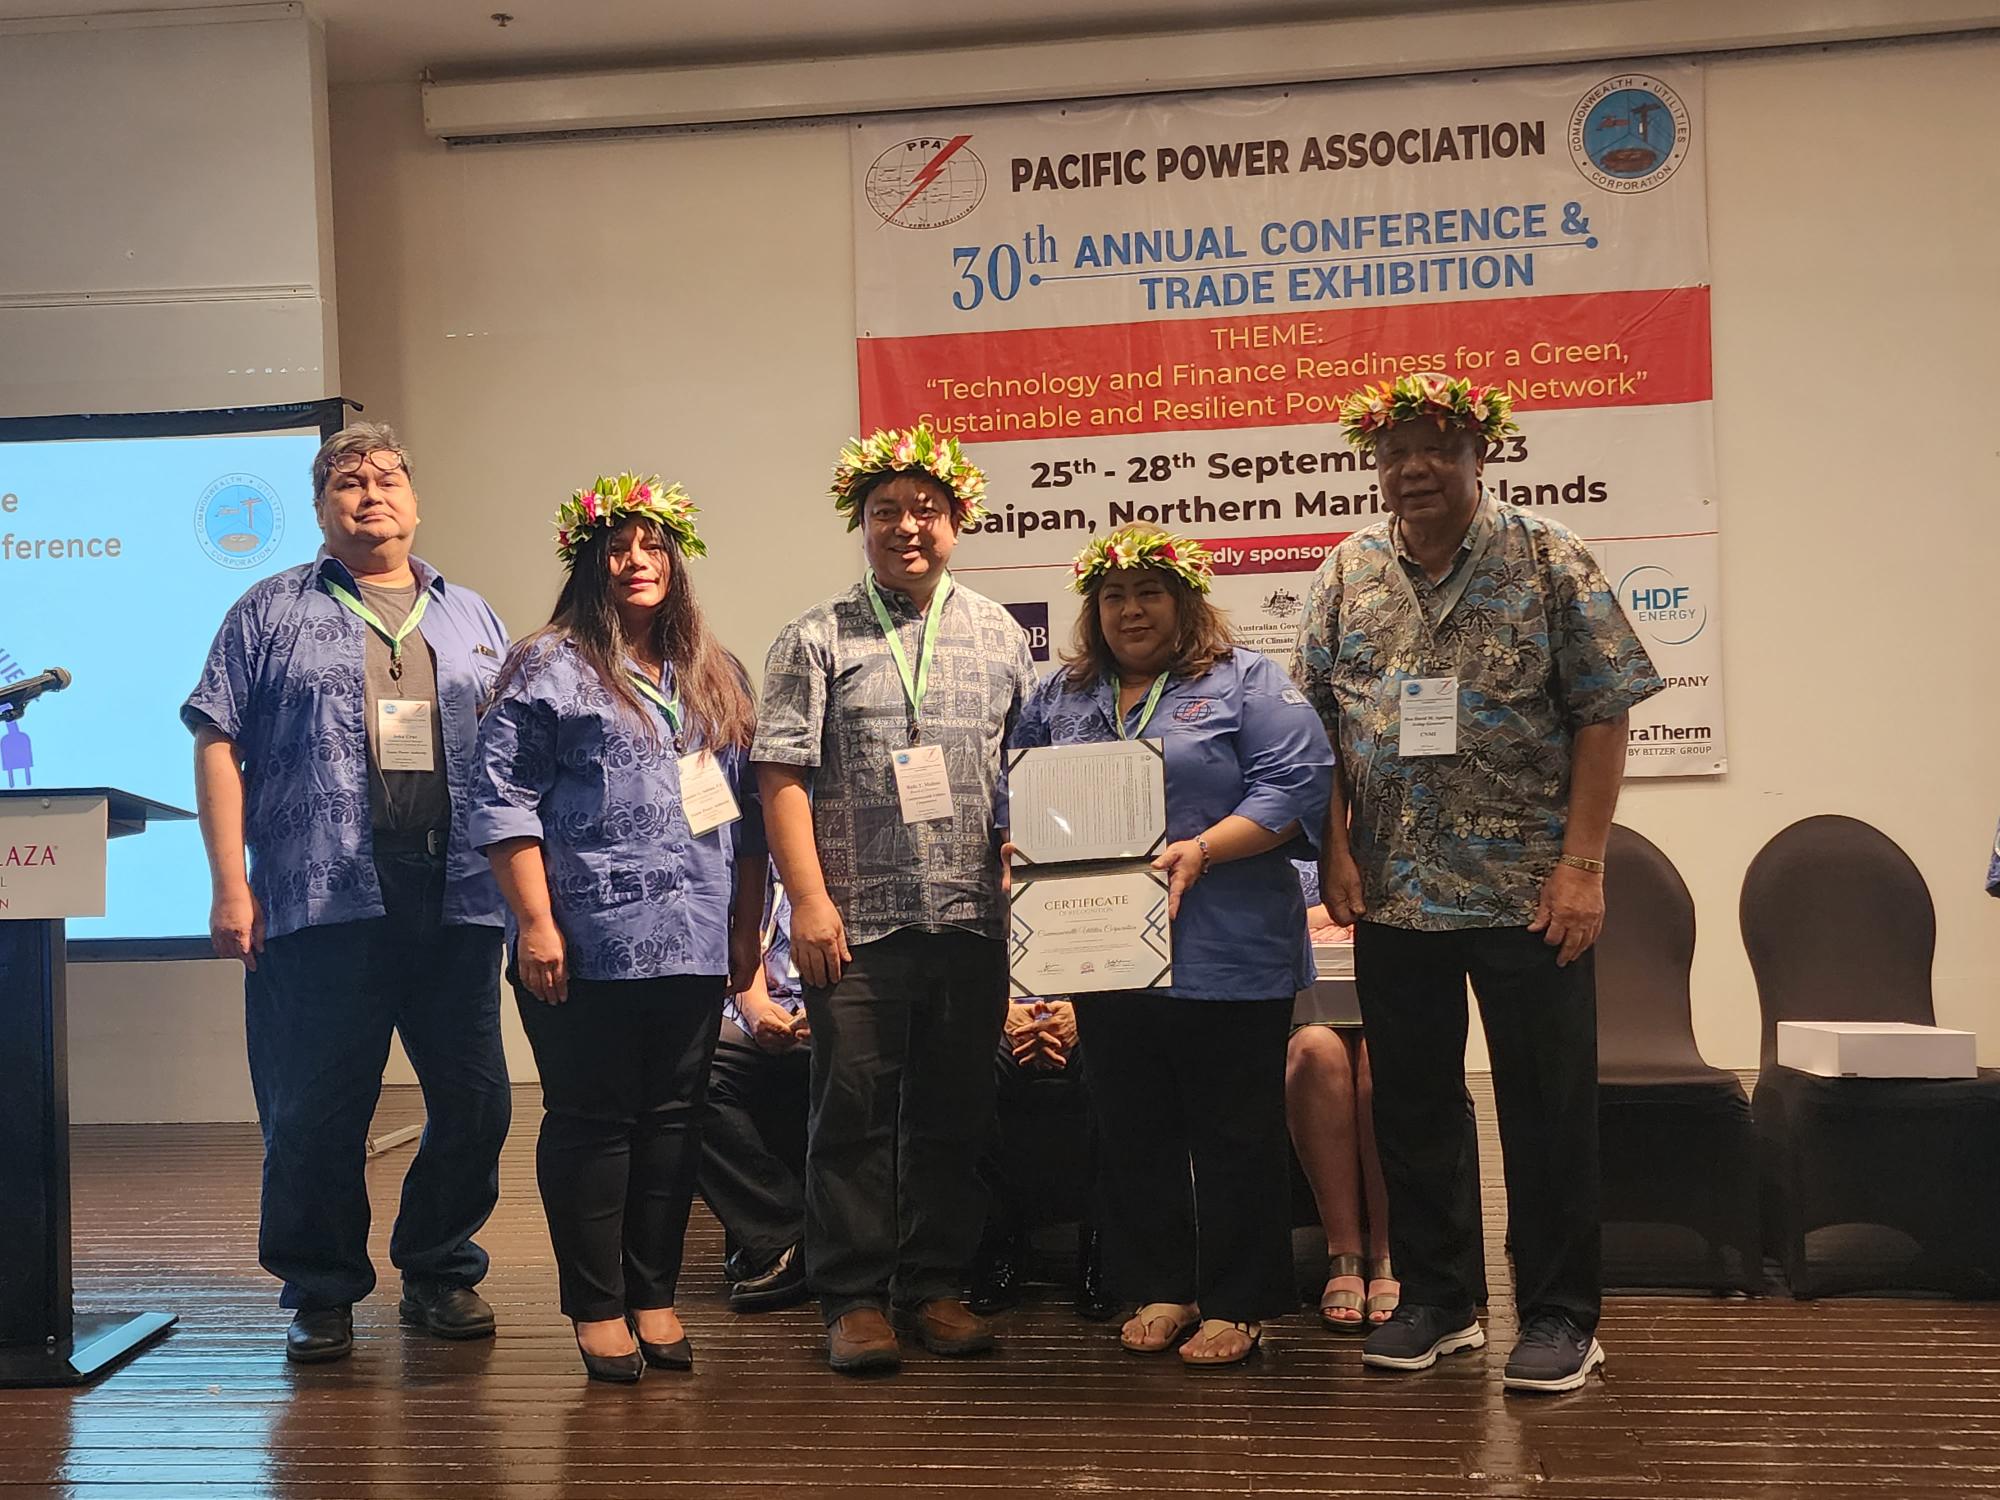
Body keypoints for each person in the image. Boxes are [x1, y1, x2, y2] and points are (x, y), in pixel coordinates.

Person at [1293, 372, 1665, 1394]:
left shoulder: (1548, 557)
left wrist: (1582, 866)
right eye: (1395, 449)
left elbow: (1602, 711)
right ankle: (1436, 1299)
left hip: (1525, 893)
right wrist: (1330, 850)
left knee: (1544, 1109)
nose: (1412, 467)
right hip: (1394, 894)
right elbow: (1319, 725)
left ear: (1477, 455)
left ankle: (1557, 1316)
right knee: (1411, 1106)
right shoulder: (1345, 572)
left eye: (1435, 447)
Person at [182, 422, 512, 1364]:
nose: (370, 494)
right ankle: (322, 1288)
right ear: (323, 508)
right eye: (347, 482)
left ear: (416, 500)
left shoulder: (472, 615)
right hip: (319, 895)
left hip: (454, 897)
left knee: (478, 1100)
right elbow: (215, 740)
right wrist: (228, 883)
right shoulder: (267, 610)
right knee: (314, 1108)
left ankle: (440, 1267)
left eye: (387, 479)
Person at [1010, 523, 1334, 1368]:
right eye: (1113, 596)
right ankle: (1161, 1284)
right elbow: (1025, 784)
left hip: (1228, 949)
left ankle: (1239, 1300)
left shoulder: (1247, 681)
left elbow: (1295, 787)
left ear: (1184, 600)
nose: (1130, 610)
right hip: (1105, 948)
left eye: (1149, 593)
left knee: (1234, 1133)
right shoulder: (1064, 696)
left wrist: (1204, 849)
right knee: (1132, 1127)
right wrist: (1025, 844)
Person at [753, 423, 1034, 1374]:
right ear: (860, 524)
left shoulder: (1000, 633)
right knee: (852, 1114)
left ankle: (935, 1285)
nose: (906, 528)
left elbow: (1021, 771)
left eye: (925, 511)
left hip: (970, 918)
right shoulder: (814, 634)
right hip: (858, 920)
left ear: (956, 521)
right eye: (885, 513)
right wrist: (808, 903)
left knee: (955, 1111)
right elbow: (781, 774)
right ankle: (853, 1296)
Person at [470, 472, 763, 1383]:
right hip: (584, 940)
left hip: (691, 935)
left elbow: (747, 813)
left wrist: (745, 936)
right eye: (617, 547)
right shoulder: (546, 663)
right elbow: (501, 801)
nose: (637, 561)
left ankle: (654, 1295)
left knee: (675, 1121)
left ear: (677, 561)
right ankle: (596, 1308)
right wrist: (534, 924)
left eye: (653, 546)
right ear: (589, 562)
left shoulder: (716, 671)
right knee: (594, 1121)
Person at [1287, 860, 1396, 1333]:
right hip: (1296, 1004)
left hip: (1393, 991)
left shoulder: (1389, 820)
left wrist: (1318, 918)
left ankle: (1390, 1252)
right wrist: (1331, 917)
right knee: (1317, 1052)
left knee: (1382, 1059)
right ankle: (1344, 1253)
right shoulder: (1277, 821)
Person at [696, 873, 813, 1313]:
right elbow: (741, 941)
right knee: (690, 1066)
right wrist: (760, 1009)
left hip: (838, 1010)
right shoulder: (748, 857)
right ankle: (787, 1235)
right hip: (757, 1009)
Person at [967, 995, 1113, 1322]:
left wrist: (1085, 1013)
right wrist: (998, 1009)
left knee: (1110, 1075)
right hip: (998, 1013)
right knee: (968, 1077)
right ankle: (999, 1240)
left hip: (1093, 1013)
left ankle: (1101, 1252)